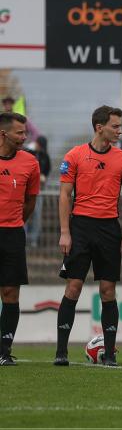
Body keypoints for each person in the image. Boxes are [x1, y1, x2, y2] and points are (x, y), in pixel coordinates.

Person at [55, 106, 122, 367]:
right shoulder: (75, 155)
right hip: (80, 228)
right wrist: (65, 232)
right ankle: (61, 352)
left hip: (109, 229)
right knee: (73, 287)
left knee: (108, 290)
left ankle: (110, 353)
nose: (119, 130)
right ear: (99, 127)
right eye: (115, 126)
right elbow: (65, 195)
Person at [0, 112, 41, 366]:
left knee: (11, 293)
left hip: (13, 234)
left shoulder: (30, 163)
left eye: (25, 132)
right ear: (4, 134)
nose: (24, 137)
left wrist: (15, 223)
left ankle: (3, 350)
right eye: (19, 133)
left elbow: (31, 201)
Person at [24, 135, 50, 247]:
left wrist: (43, 176)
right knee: (24, 213)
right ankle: (23, 237)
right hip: (26, 189)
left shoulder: (44, 155)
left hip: (39, 189)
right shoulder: (28, 152)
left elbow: (47, 168)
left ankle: (33, 239)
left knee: (36, 215)